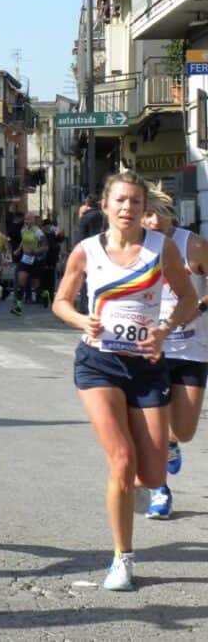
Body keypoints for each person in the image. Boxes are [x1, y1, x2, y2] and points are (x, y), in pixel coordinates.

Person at [52, 170, 196, 591]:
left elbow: (187, 298)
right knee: (120, 459)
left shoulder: (161, 248)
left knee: (151, 476)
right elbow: (61, 301)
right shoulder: (86, 251)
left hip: (147, 365)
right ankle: (122, 559)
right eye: (120, 201)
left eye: (135, 201)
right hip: (99, 364)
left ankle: (135, 483)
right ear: (105, 206)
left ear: (143, 207)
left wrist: (166, 329)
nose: (127, 208)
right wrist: (82, 319)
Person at [141, 186, 208, 519]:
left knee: (184, 430)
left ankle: (170, 443)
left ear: (169, 213)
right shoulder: (139, 247)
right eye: (145, 215)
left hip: (191, 346)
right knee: (151, 421)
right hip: (153, 347)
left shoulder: (192, 244)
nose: (151, 222)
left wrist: (199, 304)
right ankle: (160, 491)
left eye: (155, 214)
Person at [10, 212, 47, 316]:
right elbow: (23, 241)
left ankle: (45, 294)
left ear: (34, 220)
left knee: (36, 285)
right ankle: (18, 307)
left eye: (29, 219)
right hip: (25, 259)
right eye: (25, 219)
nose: (26, 221)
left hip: (36, 259)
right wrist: (18, 249)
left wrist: (35, 251)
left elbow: (45, 246)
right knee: (21, 281)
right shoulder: (23, 229)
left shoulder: (38, 232)